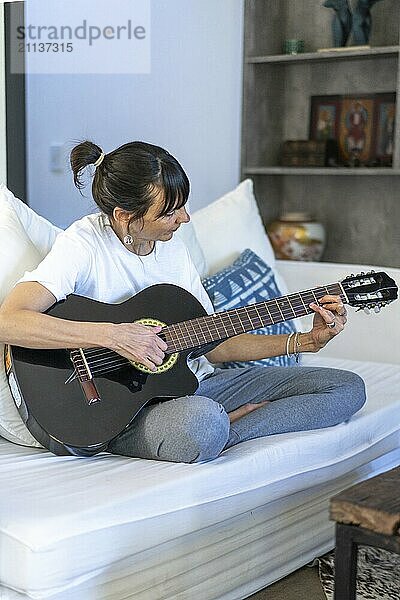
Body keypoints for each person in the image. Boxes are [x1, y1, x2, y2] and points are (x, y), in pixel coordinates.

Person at [0, 141, 366, 463]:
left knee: (347, 389)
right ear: (125, 216)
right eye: (170, 211)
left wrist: (303, 341)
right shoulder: (83, 244)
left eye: (183, 206)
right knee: (202, 423)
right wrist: (115, 336)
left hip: (192, 386)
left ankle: (227, 429)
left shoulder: (173, 250)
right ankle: (213, 426)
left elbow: (212, 345)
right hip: (123, 406)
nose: (185, 218)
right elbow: (10, 321)